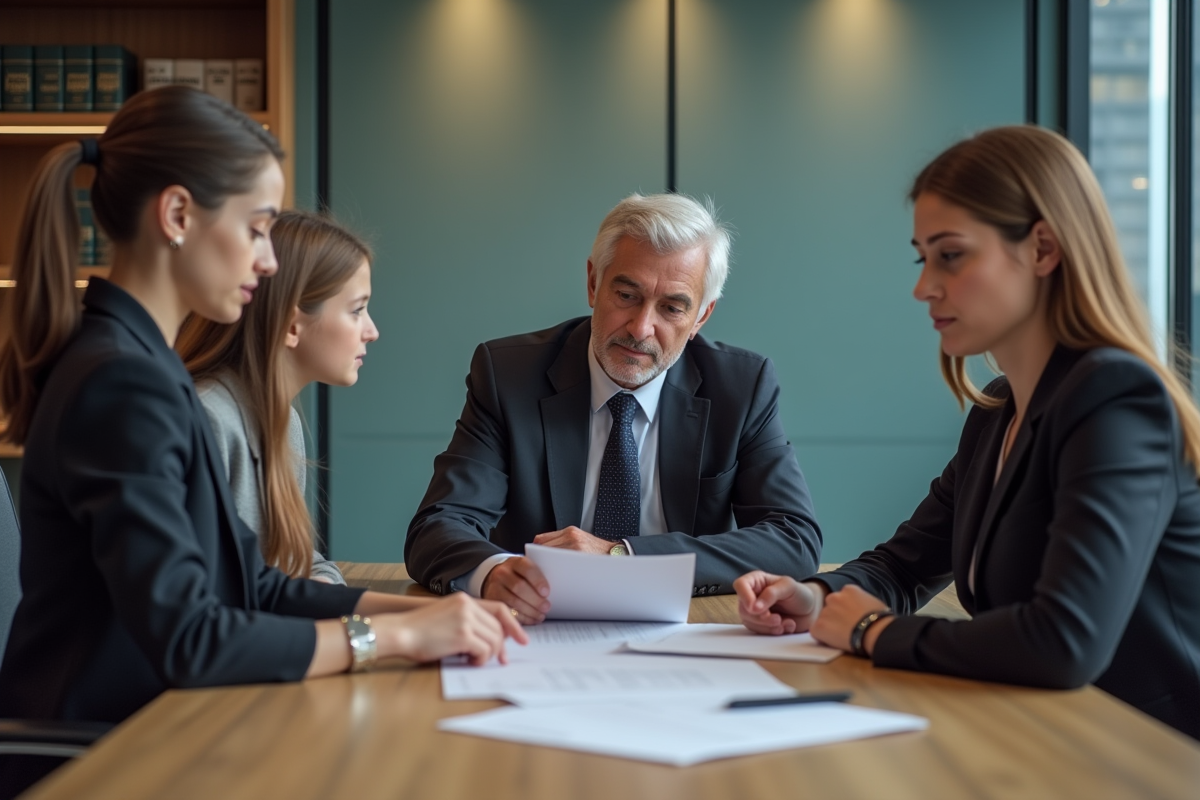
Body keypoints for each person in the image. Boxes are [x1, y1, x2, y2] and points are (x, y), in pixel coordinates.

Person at [0, 87, 524, 790]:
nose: (270, 260)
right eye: (255, 228)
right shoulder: (122, 383)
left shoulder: (142, 369)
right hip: (112, 755)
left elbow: (249, 584)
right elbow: (192, 638)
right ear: (178, 215)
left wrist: (424, 614)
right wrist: (394, 638)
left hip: (159, 727)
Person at [734, 126, 1200, 740]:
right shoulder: (998, 410)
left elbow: (1064, 642)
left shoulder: (1116, 399)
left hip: (1143, 755)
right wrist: (817, 596)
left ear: (1043, 249)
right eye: (922, 257)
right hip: (1037, 735)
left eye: (950, 255)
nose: (923, 286)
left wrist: (871, 632)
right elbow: (904, 568)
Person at [405, 192, 822, 623]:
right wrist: (492, 574)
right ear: (593, 283)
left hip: (685, 632)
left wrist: (622, 556)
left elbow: (794, 539)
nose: (641, 328)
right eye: (626, 295)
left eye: (672, 308)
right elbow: (438, 527)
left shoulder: (740, 387)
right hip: (539, 628)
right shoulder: (508, 376)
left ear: (701, 316)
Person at [176, 210, 379, 586]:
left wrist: (317, 593)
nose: (372, 331)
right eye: (357, 310)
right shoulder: (207, 420)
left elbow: (295, 562)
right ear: (291, 324)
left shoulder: (281, 421)